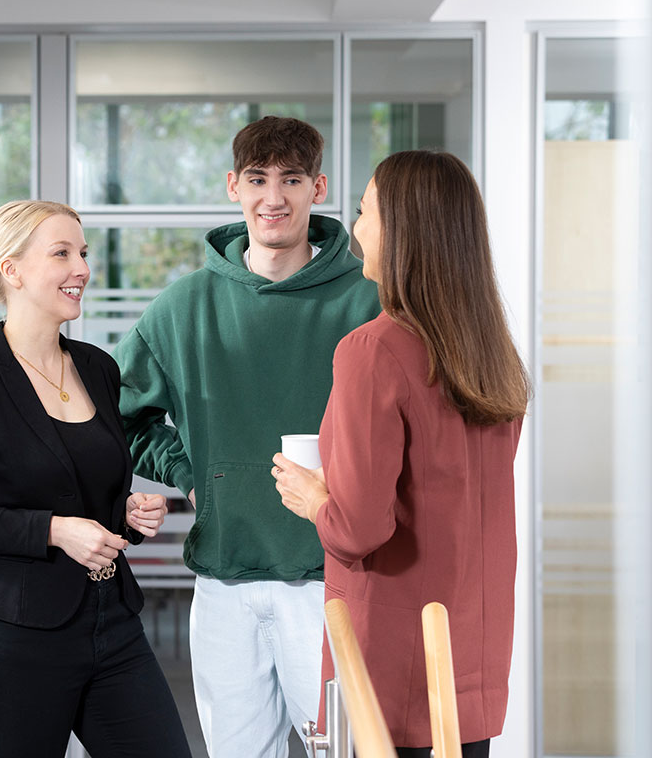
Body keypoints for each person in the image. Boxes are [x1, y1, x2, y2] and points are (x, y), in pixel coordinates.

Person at [114, 117, 381, 757]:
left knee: (342, 751)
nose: (274, 197)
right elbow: (122, 415)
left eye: (291, 179)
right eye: (258, 179)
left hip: (332, 582)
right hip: (224, 583)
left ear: (317, 188)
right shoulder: (181, 309)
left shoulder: (369, 302)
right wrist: (188, 475)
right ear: (234, 186)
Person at [273, 150, 530, 758]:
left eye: (364, 212)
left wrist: (313, 499)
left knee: (333, 747)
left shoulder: (371, 351)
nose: (355, 227)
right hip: (468, 662)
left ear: (403, 230)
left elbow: (359, 529)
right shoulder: (494, 355)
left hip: (372, 665)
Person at [0, 200, 192, 758]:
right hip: (16, 639)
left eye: (83, 253)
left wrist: (127, 516)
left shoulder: (98, 368)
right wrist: (54, 531)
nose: (82, 269)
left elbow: (87, 488)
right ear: (11, 270)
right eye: (61, 253)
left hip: (112, 623)